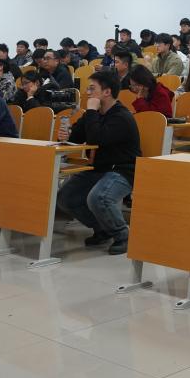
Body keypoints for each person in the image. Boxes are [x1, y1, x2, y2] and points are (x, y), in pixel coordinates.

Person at [55, 71, 138, 255]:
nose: (88, 92)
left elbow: (96, 139)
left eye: (92, 89)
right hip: (99, 168)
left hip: (123, 171)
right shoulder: (93, 114)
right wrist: (66, 135)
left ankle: (123, 235)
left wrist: (91, 111)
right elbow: (76, 138)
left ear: (107, 92)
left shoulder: (121, 117)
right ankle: (103, 229)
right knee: (65, 197)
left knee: (98, 197)